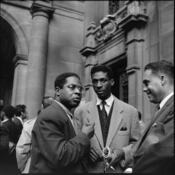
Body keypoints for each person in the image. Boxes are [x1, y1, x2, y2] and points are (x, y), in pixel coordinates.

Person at [75, 65, 141, 173]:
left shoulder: (130, 111)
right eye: (95, 81)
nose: (98, 85)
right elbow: (74, 144)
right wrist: (85, 151)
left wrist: (122, 152)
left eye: (103, 80)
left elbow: (138, 145)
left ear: (112, 82)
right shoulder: (81, 112)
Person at [29, 72, 95, 173]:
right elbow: (60, 157)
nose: (78, 92)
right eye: (72, 87)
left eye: (80, 89)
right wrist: (85, 136)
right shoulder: (50, 115)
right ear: (58, 91)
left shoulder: (66, 114)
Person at [132, 60, 174, 174]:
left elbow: (163, 151)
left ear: (162, 79)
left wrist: (133, 170)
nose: (144, 89)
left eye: (147, 83)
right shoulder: (161, 108)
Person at [16, 96, 54, 174]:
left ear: (42, 106)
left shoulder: (30, 124)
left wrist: (22, 168)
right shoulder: (62, 124)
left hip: (32, 168)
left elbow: (21, 149)